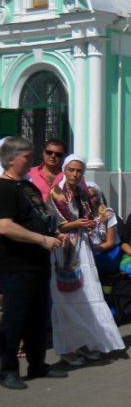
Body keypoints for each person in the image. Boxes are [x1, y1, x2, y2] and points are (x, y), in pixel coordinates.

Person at [45, 155, 125, 365]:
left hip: (83, 247)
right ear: (64, 170)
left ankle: (84, 342)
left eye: (79, 170)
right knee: (65, 298)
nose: (75, 174)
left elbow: (90, 217)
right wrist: (75, 224)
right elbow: (52, 224)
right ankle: (66, 347)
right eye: (71, 170)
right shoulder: (56, 194)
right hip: (64, 249)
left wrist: (87, 225)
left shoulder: (82, 194)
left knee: (88, 294)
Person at [0, 137, 65, 390]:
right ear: (12, 159)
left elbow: (38, 216)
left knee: (38, 317)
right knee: (15, 318)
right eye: (27, 156)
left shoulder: (28, 187)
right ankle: (7, 371)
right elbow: (5, 226)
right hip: (17, 264)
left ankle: (37, 364)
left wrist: (53, 235)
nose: (32, 161)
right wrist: (41, 239)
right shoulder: (3, 188)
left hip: (38, 262)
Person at [85, 182, 123, 275]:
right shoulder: (82, 214)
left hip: (106, 251)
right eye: (88, 197)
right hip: (89, 250)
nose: (92, 200)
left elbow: (110, 242)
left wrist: (92, 251)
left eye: (94, 196)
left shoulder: (107, 213)